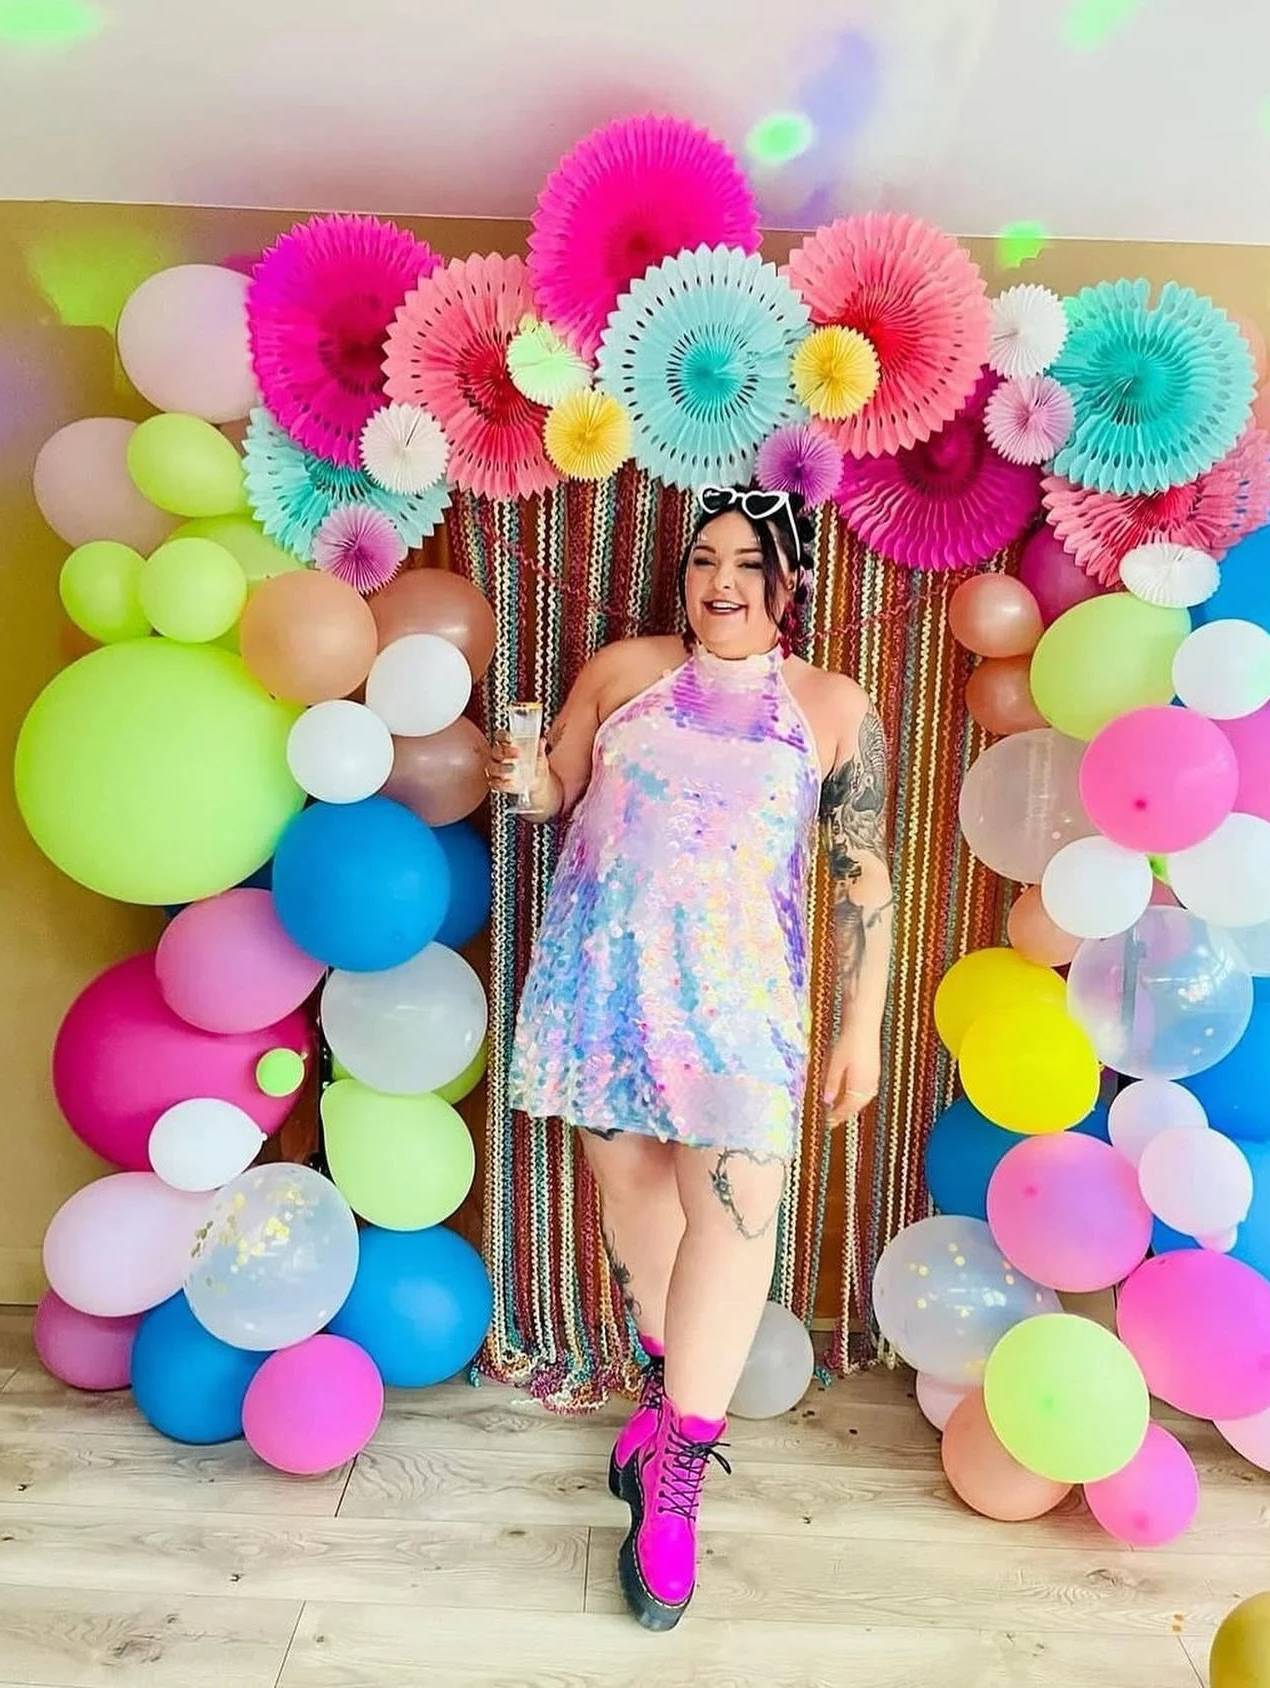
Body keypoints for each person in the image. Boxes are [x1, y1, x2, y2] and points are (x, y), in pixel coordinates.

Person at [486, 484, 893, 1631]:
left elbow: (862, 873)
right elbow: (556, 787)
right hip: (604, 980)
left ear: (790, 581)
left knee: (738, 1212)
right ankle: (664, 1403)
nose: (723, 579)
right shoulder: (624, 671)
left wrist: (860, 1025)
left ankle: (675, 1481)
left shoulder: (833, 707)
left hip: (740, 1002)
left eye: (749, 562)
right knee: (638, 1200)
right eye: (705, 557)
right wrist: (522, 776)